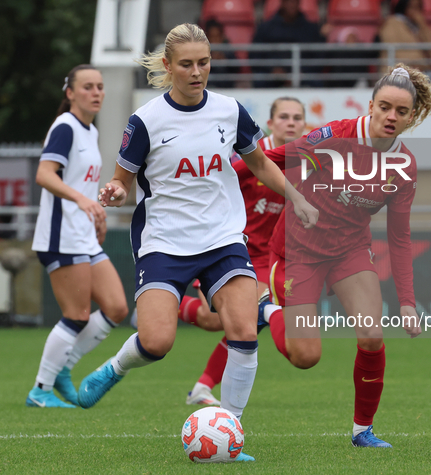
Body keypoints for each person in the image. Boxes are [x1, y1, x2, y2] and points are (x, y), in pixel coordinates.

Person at [76, 24, 317, 462]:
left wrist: (296, 197)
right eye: (186, 64)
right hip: (164, 241)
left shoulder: (231, 111)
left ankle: (231, 431)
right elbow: (122, 181)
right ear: (168, 67)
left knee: (244, 331)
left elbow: (260, 163)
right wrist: (113, 191)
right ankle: (115, 366)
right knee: (157, 343)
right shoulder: (146, 121)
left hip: (223, 238)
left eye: (203, 62)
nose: (196, 71)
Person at [254, 63, 431, 448]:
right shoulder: (335, 134)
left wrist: (406, 302)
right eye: (384, 107)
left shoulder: (404, 167)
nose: (391, 116)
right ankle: (266, 309)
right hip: (297, 252)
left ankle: (362, 430)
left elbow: (400, 238)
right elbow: (274, 158)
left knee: (371, 335)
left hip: (349, 251)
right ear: (370, 105)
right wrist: (215, 171)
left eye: (401, 111)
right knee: (306, 357)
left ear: (412, 116)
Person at [180, 97, 306, 406]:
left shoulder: (306, 166)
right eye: (284, 117)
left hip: (269, 259)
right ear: (271, 123)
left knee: (245, 322)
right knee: (216, 320)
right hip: (229, 247)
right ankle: (168, 303)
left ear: (305, 125)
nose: (291, 123)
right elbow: (218, 183)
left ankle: (202, 386)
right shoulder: (256, 160)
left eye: (297, 118)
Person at [27, 65, 129, 408]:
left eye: (100, 86)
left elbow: (81, 183)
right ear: (70, 93)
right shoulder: (66, 127)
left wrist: (95, 210)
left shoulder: (90, 131)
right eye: (88, 87)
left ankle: (62, 368)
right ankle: (40, 390)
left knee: (116, 307)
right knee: (77, 314)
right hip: (60, 236)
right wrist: (83, 200)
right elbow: (44, 174)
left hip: (83, 234)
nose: (97, 92)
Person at [379, 0, 431, 87]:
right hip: (400, 71)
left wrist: (422, 26)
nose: (415, 11)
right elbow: (393, 48)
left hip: (421, 71)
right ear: (404, 7)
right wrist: (415, 64)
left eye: (418, 8)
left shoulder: (419, 27)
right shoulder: (392, 23)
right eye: (412, 7)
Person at [251, 0, 324, 87]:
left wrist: (303, 72)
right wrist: (272, 69)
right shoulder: (265, 28)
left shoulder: (311, 29)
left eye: (294, 2)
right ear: (282, 3)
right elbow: (255, 55)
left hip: (303, 76)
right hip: (272, 76)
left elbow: (319, 57)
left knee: (317, 82)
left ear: (299, 3)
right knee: (260, 81)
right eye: (288, 1)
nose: (292, 5)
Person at [203, 19, 239, 89]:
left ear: (222, 37)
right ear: (207, 38)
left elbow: (237, 68)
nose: (215, 40)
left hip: (227, 88)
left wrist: (225, 61)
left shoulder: (228, 50)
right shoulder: (201, 51)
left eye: (217, 36)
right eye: (212, 37)